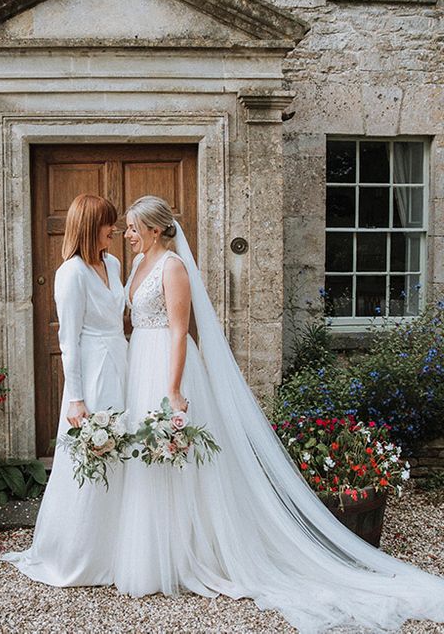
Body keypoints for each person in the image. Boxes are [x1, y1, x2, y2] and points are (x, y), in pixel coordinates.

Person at [114, 195, 444, 633]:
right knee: (150, 460)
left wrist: (173, 389)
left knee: (183, 459)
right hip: (140, 362)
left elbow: (179, 331)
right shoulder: (136, 267)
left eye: (134, 227)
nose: (128, 234)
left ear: (155, 229)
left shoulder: (172, 268)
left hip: (167, 367)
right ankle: (155, 553)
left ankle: (192, 553)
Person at [2, 194, 128, 586]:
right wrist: (75, 397)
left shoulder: (114, 263)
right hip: (91, 370)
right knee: (91, 457)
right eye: (109, 223)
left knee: (123, 450)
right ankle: (82, 551)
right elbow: (69, 340)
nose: (116, 229)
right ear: (91, 227)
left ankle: (121, 546)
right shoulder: (70, 274)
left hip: (121, 361)